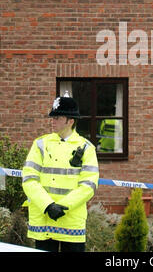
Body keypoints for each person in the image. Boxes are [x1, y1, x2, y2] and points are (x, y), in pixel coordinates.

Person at [22, 92, 99, 252]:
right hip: (43, 220)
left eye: (57, 118)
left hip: (70, 221)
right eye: (53, 117)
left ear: (70, 121)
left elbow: (88, 185)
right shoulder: (40, 144)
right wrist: (48, 205)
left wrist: (61, 206)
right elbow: (29, 179)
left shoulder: (86, 148)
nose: (53, 121)